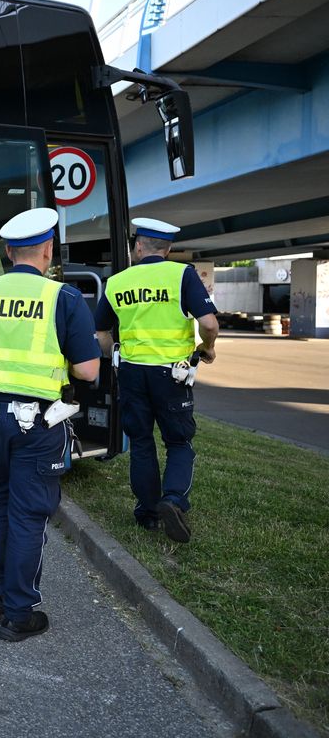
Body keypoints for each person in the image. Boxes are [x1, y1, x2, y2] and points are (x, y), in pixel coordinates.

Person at [0, 209, 100, 642]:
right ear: (48, 252)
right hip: (36, 423)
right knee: (29, 513)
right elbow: (87, 371)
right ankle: (19, 612)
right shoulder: (62, 298)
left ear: (9, 252)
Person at [94, 218, 218, 544]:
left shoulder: (117, 282)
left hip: (133, 373)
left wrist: (115, 356)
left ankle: (148, 513)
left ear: (138, 246)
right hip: (171, 375)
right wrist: (207, 348)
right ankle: (173, 500)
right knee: (178, 442)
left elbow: (101, 332)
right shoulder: (181, 275)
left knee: (141, 443)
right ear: (169, 249)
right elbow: (209, 323)